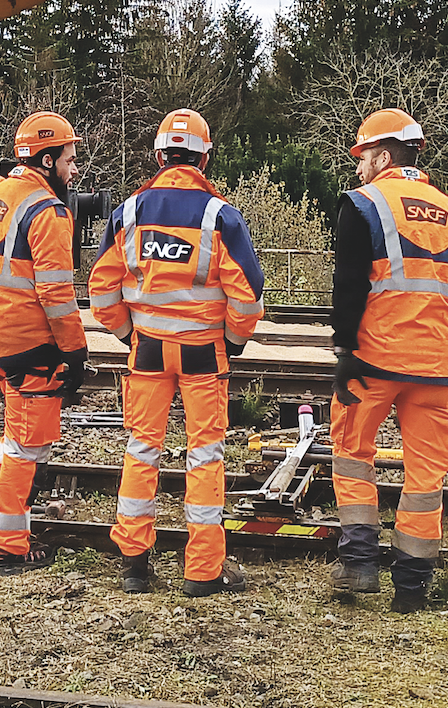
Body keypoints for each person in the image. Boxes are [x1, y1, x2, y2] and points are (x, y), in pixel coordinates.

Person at [327, 108, 448, 613]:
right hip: (438, 369)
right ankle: (411, 587)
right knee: (426, 477)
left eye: (362, 157)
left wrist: (344, 350)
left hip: (374, 361)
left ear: (382, 156)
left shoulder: (363, 204)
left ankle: (359, 563)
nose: (358, 168)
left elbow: (349, 285)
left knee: (352, 451)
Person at [89, 109, 264, 596]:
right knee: (205, 455)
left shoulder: (129, 212)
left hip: (146, 351)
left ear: (160, 156)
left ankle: (134, 566)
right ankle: (202, 572)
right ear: (205, 158)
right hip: (204, 354)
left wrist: (130, 334)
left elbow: (101, 291)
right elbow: (248, 296)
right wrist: (230, 341)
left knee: (141, 450)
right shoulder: (220, 216)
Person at [0, 111, 89, 574]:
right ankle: (9, 546)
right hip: (32, 344)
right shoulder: (48, 211)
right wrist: (75, 351)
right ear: (45, 158)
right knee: (30, 446)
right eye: (68, 159)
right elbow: (57, 293)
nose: (73, 169)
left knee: (16, 429)